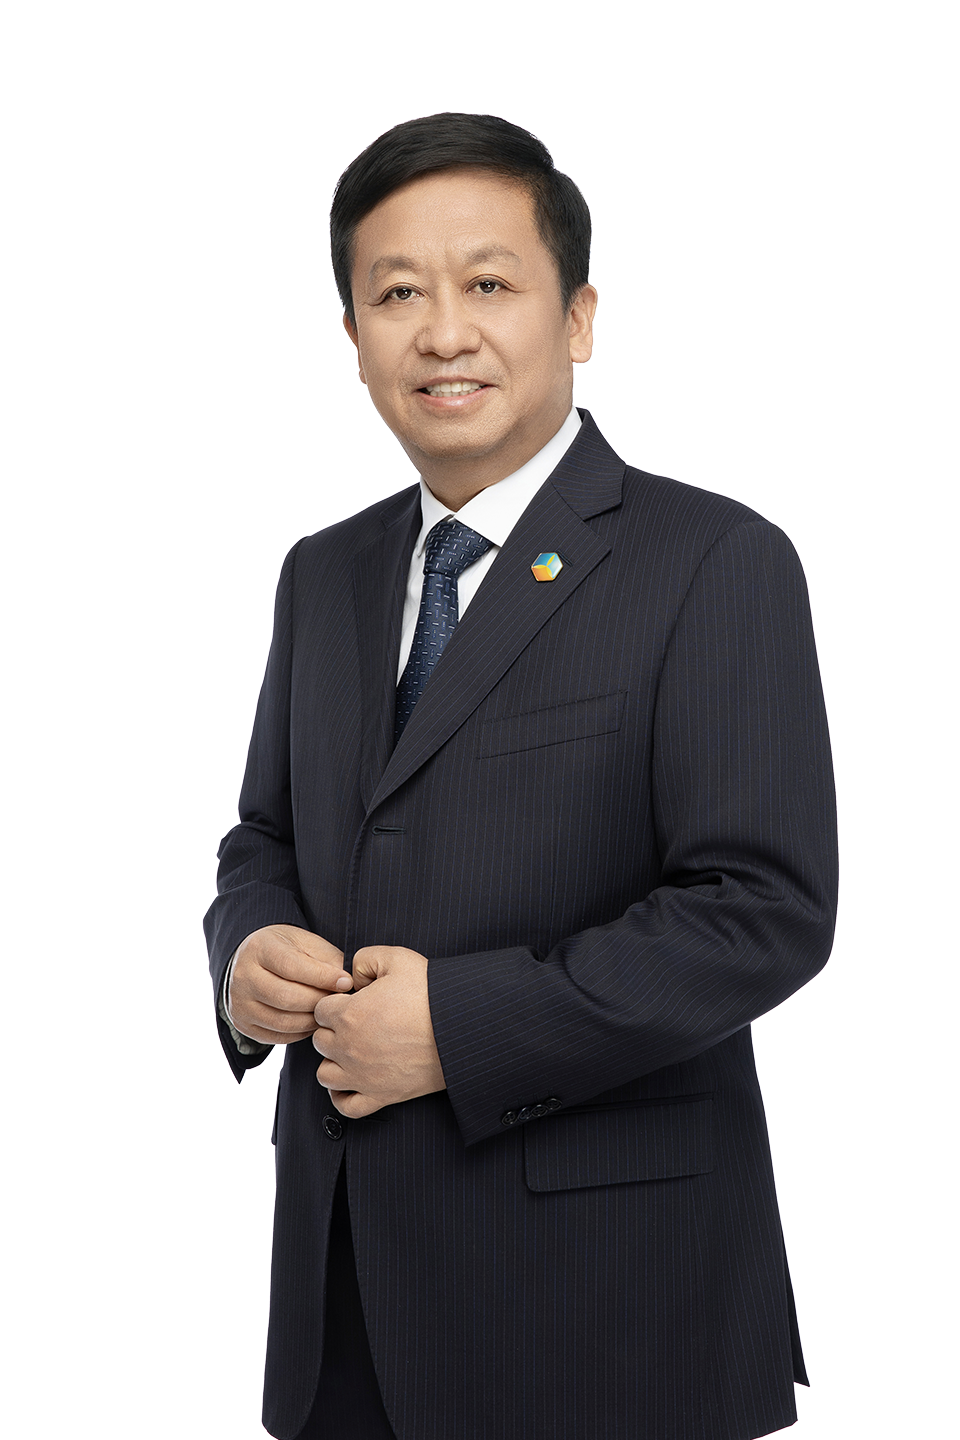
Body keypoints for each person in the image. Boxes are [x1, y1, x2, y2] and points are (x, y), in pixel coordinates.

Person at [204, 112, 838, 1440]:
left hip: (608, 1307)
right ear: (353, 338)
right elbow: (265, 835)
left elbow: (760, 911)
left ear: (579, 316)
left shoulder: (712, 562)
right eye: (397, 295)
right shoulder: (324, 573)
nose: (444, 332)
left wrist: (460, 1026)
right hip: (345, 1298)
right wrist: (249, 948)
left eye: (489, 283)